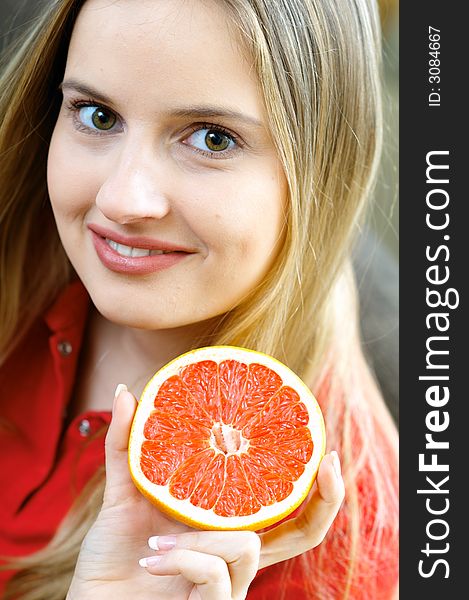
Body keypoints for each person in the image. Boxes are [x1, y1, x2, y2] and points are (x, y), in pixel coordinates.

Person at [0, 0, 398, 598]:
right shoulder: (21, 258)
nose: (122, 198)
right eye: (98, 115)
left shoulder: (337, 554)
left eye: (212, 138)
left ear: (319, 171)